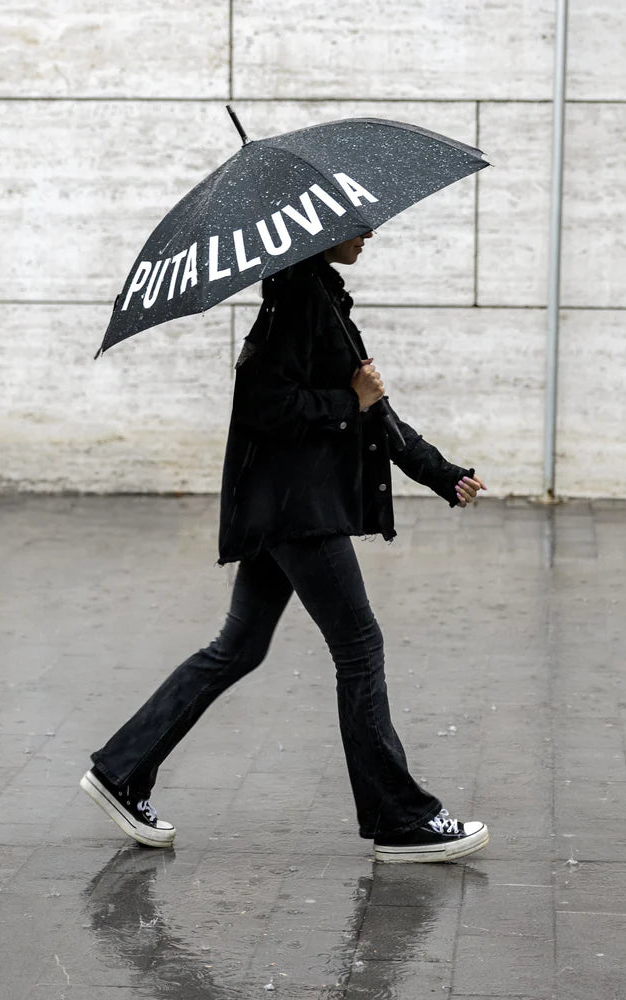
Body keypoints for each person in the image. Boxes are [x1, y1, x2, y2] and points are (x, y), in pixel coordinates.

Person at [81, 231, 489, 863]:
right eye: (357, 224)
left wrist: (438, 471)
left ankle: (121, 769)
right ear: (321, 233)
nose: (369, 233)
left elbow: (376, 413)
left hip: (282, 507)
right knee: (359, 649)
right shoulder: (298, 300)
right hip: (300, 511)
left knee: (237, 649)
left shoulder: (318, 297)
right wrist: (346, 400)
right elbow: (265, 405)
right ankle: (399, 820)